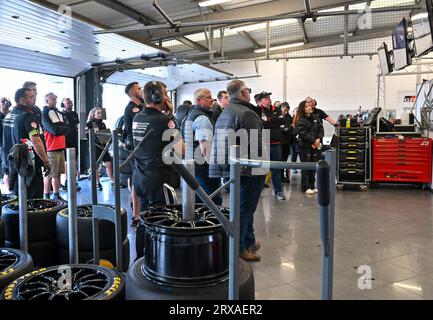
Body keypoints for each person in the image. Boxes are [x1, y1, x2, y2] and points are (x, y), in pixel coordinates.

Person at [210, 80, 266, 262]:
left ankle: (248, 240)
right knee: (244, 209)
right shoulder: (246, 113)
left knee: (244, 208)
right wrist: (260, 168)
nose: (249, 93)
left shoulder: (226, 112)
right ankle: (239, 248)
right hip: (248, 169)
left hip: (233, 168)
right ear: (243, 93)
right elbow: (255, 145)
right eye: (248, 90)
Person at [132, 81, 184, 259]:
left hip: (139, 177)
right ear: (157, 96)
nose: (167, 96)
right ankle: (159, 262)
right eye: (165, 93)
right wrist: (172, 118)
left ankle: (139, 259)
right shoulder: (165, 120)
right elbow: (181, 150)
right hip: (158, 180)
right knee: (161, 221)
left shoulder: (137, 117)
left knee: (143, 220)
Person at [182, 88, 222, 206]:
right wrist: (214, 166)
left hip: (193, 167)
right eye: (208, 98)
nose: (212, 100)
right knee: (212, 202)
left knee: (199, 202)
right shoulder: (202, 118)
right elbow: (205, 147)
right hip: (204, 168)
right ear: (199, 101)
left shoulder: (190, 116)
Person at [9, 88, 51, 198]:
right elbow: (36, 140)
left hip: (15, 164)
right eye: (31, 97)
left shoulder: (10, 116)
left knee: (20, 199)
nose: (34, 99)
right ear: (22, 100)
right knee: (34, 200)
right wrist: (46, 162)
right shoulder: (28, 116)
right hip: (30, 165)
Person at [256, 91, 285, 201]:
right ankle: (257, 191)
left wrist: (268, 120)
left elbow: (282, 120)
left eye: (269, 97)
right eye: (266, 98)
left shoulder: (276, 109)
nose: (269, 99)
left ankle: (278, 191)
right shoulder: (257, 110)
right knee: (261, 169)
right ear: (260, 101)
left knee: (276, 169)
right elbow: (261, 123)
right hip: (263, 144)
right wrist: (274, 121)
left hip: (276, 144)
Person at [122, 82, 143, 227]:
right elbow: (131, 130)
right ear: (131, 92)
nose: (141, 90)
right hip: (134, 148)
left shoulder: (142, 106)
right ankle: (136, 215)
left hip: (143, 147)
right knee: (137, 180)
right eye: (138, 89)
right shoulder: (131, 108)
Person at [42, 93, 69, 201]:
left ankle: (55, 195)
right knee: (50, 174)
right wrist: (61, 128)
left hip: (60, 146)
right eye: (52, 99)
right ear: (46, 100)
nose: (55, 101)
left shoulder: (58, 112)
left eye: (55, 99)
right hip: (51, 148)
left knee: (57, 173)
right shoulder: (44, 113)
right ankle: (49, 196)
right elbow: (53, 130)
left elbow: (68, 128)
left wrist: (60, 128)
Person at [294, 100, 324, 195]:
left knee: (314, 166)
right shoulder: (300, 120)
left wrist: (319, 138)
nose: (309, 107)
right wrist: (313, 141)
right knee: (306, 167)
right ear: (302, 109)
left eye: (310, 106)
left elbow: (320, 128)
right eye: (306, 106)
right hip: (305, 146)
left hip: (315, 145)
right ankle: (305, 187)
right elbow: (303, 133)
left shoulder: (315, 118)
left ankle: (312, 185)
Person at [85, 107, 114, 190]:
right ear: (93, 114)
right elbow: (87, 135)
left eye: (101, 113)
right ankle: (97, 183)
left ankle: (112, 180)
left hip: (103, 147)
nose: (100, 115)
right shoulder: (89, 124)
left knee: (108, 164)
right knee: (95, 166)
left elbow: (105, 135)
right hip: (94, 147)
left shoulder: (103, 124)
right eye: (98, 113)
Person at [60, 97, 81, 191]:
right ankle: (67, 181)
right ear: (63, 103)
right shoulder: (61, 114)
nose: (70, 103)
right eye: (68, 102)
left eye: (71, 102)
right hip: (64, 140)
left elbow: (77, 127)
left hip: (74, 140)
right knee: (66, 162)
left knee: (73, 161)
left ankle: (72, 180)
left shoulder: (74, 114)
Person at [0, 97, 11, 187]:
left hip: (13, 145)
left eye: (6, 101)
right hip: (3, 147)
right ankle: (9, 193)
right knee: (6, 170)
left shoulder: (12, 115)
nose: (5, 103)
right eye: (3, 102)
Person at [280, 102, 292, 182]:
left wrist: (285, 128)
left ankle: (283, 176)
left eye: (287, 110)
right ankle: (280, 176)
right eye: (285, 110)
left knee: (284, 159)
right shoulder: (278, 116)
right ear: (281, 108)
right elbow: (282, 128)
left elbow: (288, 127)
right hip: (280, 141)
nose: (286, 112)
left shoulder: (289, 116)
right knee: (279, 159)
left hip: (287, 141)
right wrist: (285, 128)